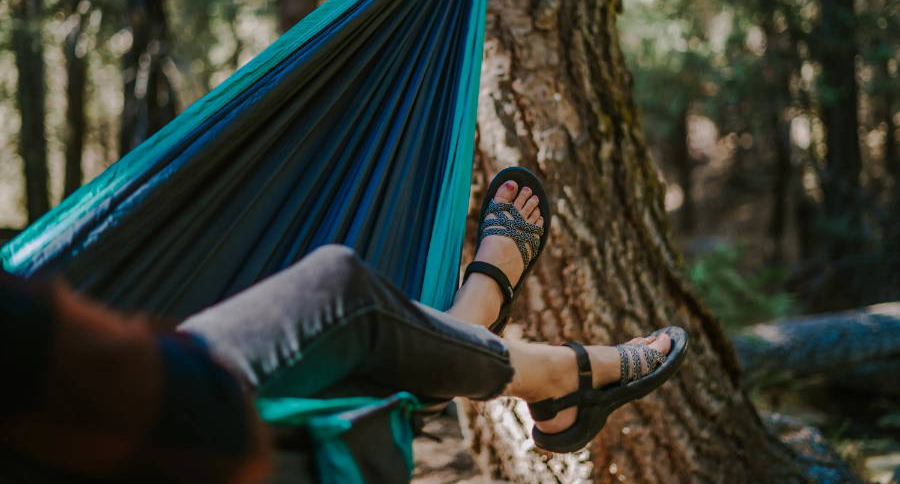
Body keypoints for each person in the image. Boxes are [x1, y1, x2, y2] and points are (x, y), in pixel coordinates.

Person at [0, 168, 687, 483]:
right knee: (342, 305)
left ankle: (473, 329)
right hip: (150, 414)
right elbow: (198, 421)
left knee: (348, 315)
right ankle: (546, 368)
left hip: (106, 392)